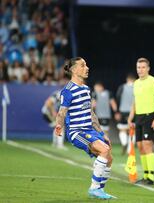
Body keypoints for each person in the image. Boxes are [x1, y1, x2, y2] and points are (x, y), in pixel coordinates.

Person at [54, 57, 116, 199]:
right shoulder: (68, 90)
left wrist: (102, 133)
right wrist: (59, 125)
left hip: (90, 130)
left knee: (109, 158)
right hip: (77, 132)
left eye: (86, 65)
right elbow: (62, 111)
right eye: (82, 65)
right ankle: (94, 188)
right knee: (104, 150)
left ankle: (100, 190)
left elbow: (91, 114)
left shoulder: (86, 89)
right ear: (74, 70)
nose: (86, 68)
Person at [127, 57, 154, 185]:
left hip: (150, 116)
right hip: (139, 117)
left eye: (143, 67)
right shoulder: (136, 83)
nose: (140, 70)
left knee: (147, 145)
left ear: (148, 68)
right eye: (138, 67)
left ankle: (151, 177)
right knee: (141, 146)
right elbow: (135, 102)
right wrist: (131, 117)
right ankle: (145, 175)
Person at [115, 73, 135, 155]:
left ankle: (124, 142)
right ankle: (130, 149)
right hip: (134, 111)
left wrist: (117, 111)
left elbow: (118, 97)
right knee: (132, 130)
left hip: (123, 111)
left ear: (127, 80)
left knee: (122, 129)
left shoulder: (122, 87)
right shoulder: (137, 87)